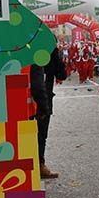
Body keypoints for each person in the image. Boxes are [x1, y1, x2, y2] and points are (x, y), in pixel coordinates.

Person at [30, 41, 68, 179]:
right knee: (41, 135)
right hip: (43, 98)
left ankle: (28, 166)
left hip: (23, 98)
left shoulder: (24, 46)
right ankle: (39, 165)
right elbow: (62, 74)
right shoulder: (50, 49)